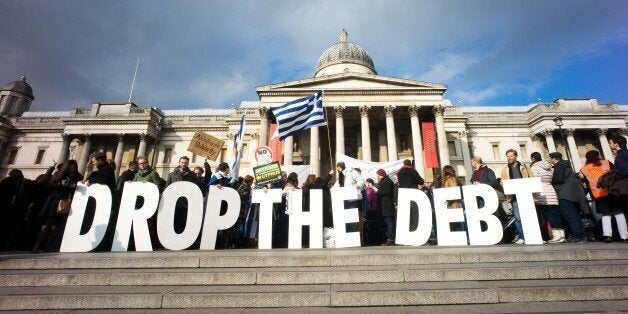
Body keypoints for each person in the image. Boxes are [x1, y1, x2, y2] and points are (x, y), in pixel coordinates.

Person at [32, 160, 82, 253]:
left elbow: (79, 182)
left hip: (64, 200)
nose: (72, 170)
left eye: (74, 168)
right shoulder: (58, 175)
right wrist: (61, 184)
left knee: (57, 224)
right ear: (66, 167)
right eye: (71, 168)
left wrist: (72, 184)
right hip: (55, 199)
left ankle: (48, 245)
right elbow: (49, 184)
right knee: (48, 222)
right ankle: (37, 245)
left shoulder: (76, 176)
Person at [579, 150, 627, 243]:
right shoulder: (606, 163)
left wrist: (593, 196)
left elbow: (588, 185)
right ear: (598, 156)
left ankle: (607, 236)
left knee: (605, 215)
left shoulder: (584, 169)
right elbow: (616, 174)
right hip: (612, 192)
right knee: (619, 214)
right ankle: (624, 236)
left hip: (599, 194)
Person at [549, 152, 587, 243]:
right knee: (575, 215)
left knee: (570, 215)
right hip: (572, 194)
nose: (550, 161)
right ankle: (581, 235)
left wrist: (551, 181)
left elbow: (559, 179)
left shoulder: (560, 166)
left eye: (551, 159)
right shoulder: (566, 165)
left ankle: (577, 235)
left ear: (555, 159)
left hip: (565, 194)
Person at [500, 149, 534, 244]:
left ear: (516, 156)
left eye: (511, 156)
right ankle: (522, 236)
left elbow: (532, 178)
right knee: (518, 218)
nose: (509, 158)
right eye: (507, 156)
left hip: (526, 195)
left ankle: (533, 235)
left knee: (529, 216)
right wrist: (503, 184)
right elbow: (502, 181)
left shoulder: (524, 167)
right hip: (514, 196)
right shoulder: (505, 169)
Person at [530, 152, 564, 243]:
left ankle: (546, 236)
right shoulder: (549, 167)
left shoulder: (534, 167)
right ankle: (560, 235)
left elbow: (533, 179)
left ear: (533, 159)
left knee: (543, 216)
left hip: (541, 193)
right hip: (551, 191)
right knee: (554, 215)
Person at [397, 159, 425, 231]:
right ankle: (416, 228)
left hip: (403, 194)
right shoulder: (413, 171)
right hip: (413, 194)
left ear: (404, 164)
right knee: (415, 212)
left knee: (406, 213)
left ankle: (406, 230)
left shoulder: (399, 172)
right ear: (410, 165)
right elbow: (421, 182)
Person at [372, 169, 395, 245]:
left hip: (387, 205)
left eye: (378, 175)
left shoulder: (387, 181)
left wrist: (377, 191)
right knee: (387, 222)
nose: (377, 177)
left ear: (382, 175)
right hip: (384, 205)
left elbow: (386, 191)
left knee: (389, 221)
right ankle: (389, 238)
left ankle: (391, 239)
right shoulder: (385, 181)